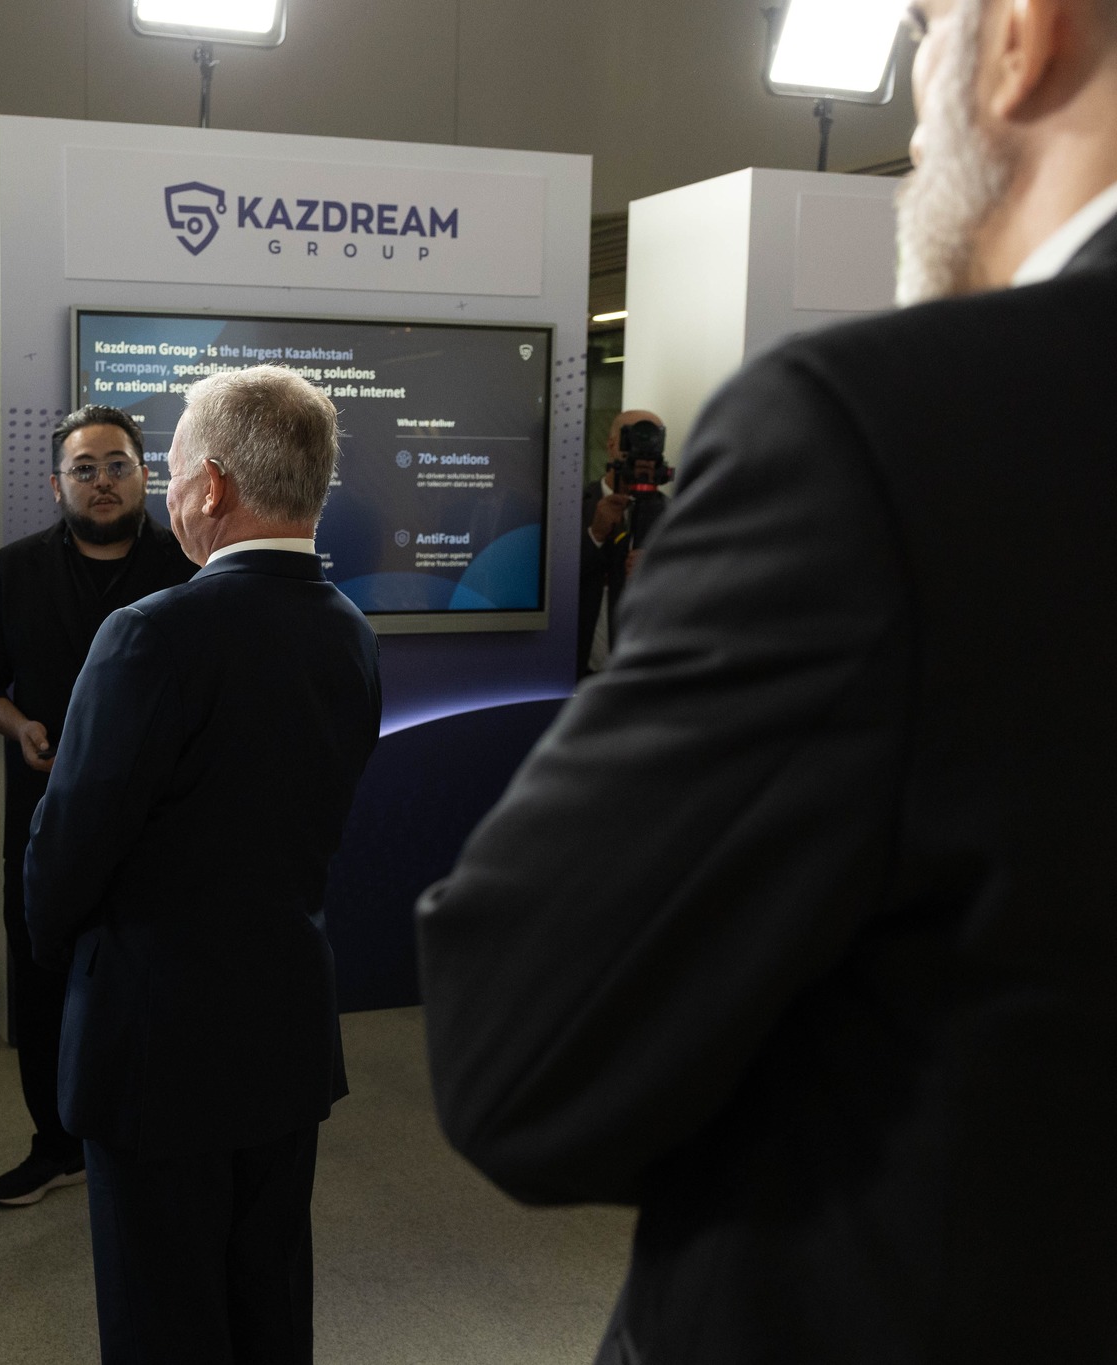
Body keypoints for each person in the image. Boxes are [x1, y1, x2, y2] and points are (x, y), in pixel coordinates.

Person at [418, 0, 1117, 1359]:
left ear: (1021, 37)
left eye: (922, 29)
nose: (912, 103)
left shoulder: (886, 430)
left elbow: (522, 1061)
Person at [24, 368, 381, 1364]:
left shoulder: (151, 631)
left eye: (171, 471)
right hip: (285, 1029)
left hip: (156, 1046)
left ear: (211, 487)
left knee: (163, 1323)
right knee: (268, 1307)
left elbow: (67, 852)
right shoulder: (349, 629)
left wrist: (57, 953)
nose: (166, 493)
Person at [0, 404, 196, 1208]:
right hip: (47, 817)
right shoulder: (17, 569)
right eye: (83, 469)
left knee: (158, 978)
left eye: (117, 464)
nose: (102, 481)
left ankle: (156, 1135)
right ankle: (55, 1146)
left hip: (164, 825)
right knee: (44, 978)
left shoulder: (189, 567)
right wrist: (18, 724)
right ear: (57, 484)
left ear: (145, 475)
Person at [575, 409, 668, 678]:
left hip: (645, 676)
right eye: (634, 438)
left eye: (652, 441)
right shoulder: (572, 507)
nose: (643, 452)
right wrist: (595, 535)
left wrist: (658, 574)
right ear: (611, 445)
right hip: (577, 672)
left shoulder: (674, 517)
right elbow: (554, 583)